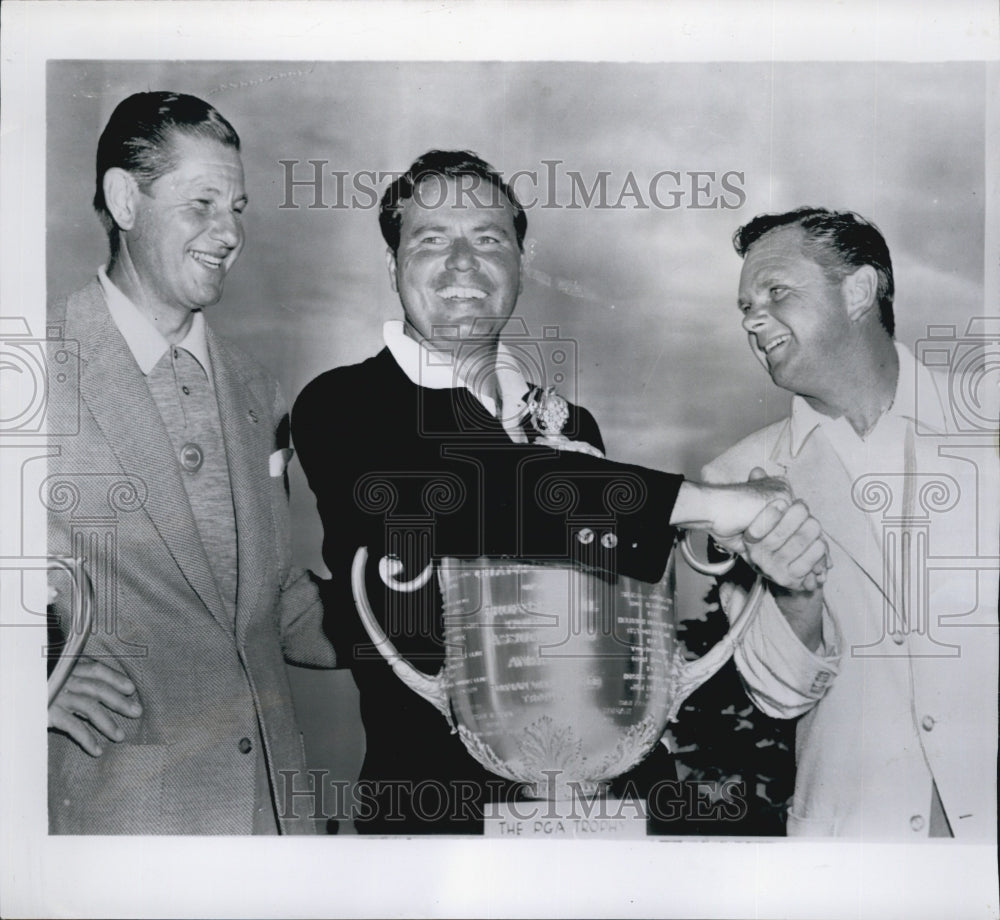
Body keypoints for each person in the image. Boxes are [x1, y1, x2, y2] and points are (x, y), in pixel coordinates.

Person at [291, 150, 827, 833]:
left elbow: (626, 607)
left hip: (618, 813)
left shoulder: (571, 423)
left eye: (488, 239)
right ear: (391, 266)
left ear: (521, 261)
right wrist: (718, 506)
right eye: (430, 240)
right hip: (436, 824)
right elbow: (471, 497)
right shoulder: (342, 403)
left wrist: (775, 560)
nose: (462, 262)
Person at [45, 92, 336, 834]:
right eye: (202, 202)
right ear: (124, 199)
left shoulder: (256, 387)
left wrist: (440, 622)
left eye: (237, 206)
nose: (230, 231)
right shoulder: (30, 369)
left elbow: (265, 603)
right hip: (120, 829)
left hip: (277, 827)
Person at [704, 207, 999, 838]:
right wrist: (795, 592)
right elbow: (778, 693)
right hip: (856, 853)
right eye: (746, 306)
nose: (754, 319)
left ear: (860, 290)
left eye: (776, 291)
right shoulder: (735, 479)